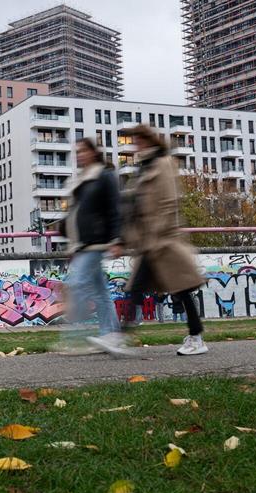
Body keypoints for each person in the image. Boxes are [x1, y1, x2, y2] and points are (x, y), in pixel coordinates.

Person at [92, 124, 209, 356]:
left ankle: (193, 337)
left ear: (149, 140)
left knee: (177, 289)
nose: (135, 145)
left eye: (138, 140)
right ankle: (124, 336)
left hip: (162, 241)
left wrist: (156, 234)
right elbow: (135, 207)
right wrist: (126, 238)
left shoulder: (163, 164)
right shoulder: (144, 167)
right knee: (144, 289)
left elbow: (168, 202)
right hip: (150, 242)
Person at [55, 138, 123, 353]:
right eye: (77, 151)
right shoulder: (83, 180)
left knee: (76, 285)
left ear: (94, 152)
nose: (79, 155)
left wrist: (117, 240)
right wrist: (72, 246)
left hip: (97, 243)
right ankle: (111, 337)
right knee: (101, 293)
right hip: (83, 245)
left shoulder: (104, 176)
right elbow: (76, 214)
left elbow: (115, 209)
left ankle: (73, 340)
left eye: (83, 151)